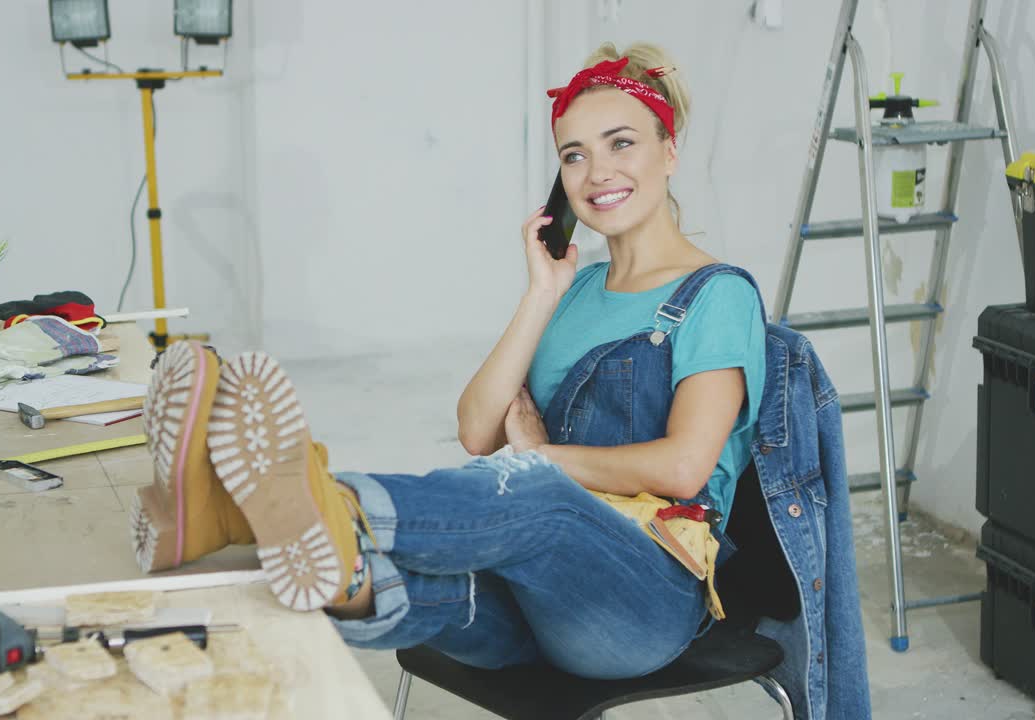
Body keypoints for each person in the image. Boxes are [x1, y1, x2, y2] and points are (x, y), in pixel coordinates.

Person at [130, 41, 769, 681]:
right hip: (539, 599)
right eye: (575, 155)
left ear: (671, 152)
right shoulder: (573, 291)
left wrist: (543, 461)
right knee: (415, 579)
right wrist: (541, 291)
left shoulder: (717, 295)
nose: (596, 172)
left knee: (535, 491)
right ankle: (248, 528)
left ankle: (321, 503)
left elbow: (684, 468)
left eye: (620, 143)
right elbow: (476, 427)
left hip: (645, 598)